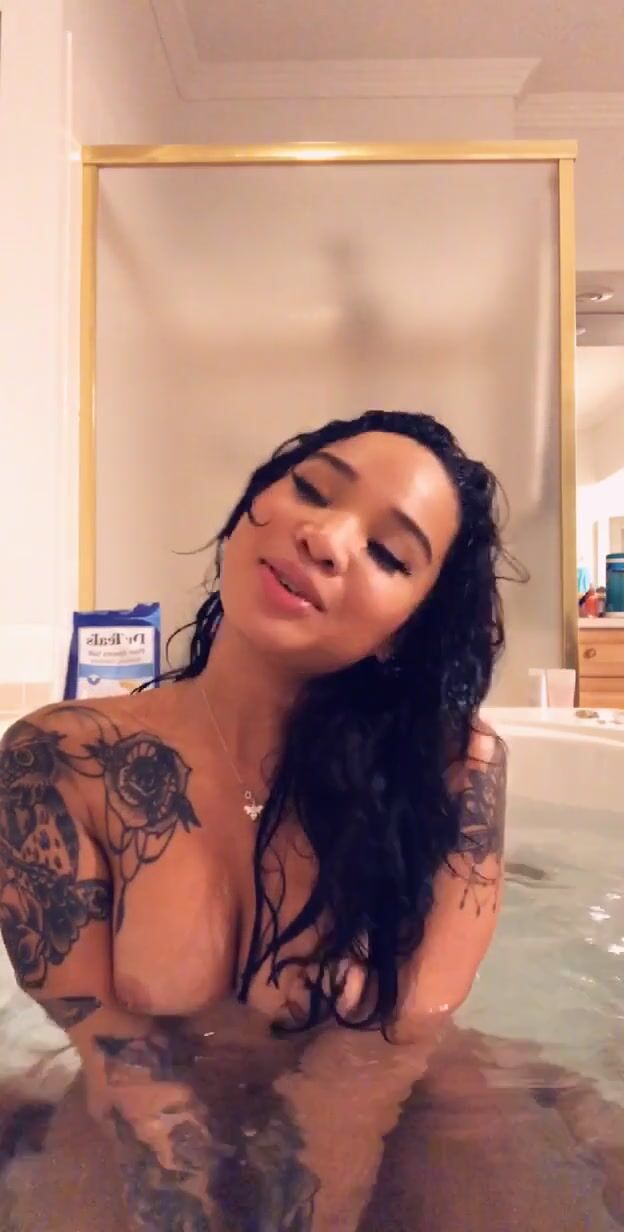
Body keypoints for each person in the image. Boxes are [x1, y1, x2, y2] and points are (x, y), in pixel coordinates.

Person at [0, 409, 515, 1229]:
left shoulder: (454, 773)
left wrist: (314, 1200)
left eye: (388, 553)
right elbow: (113, 1050)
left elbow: (392, 1043)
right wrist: (187, 1189)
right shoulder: (61, 760)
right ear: (254, 503)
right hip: (135, 1110)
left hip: (402, 1104)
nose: (325, 537)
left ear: (406, 629)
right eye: (312, 488)